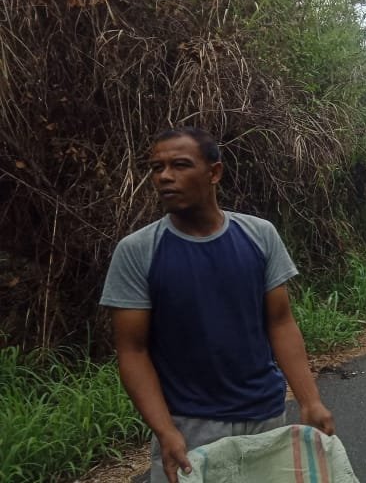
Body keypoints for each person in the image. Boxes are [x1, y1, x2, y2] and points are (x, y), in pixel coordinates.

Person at [100, 127, 334, 483]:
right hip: (189, 426)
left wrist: (309, 400)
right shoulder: (138, 251)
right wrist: (165, 430)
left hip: (265, 418)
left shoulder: (259, 236)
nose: (164, 176)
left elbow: (281, 323)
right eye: (156, 167)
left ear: (214, 173)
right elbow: (132, 350)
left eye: (180, 165)